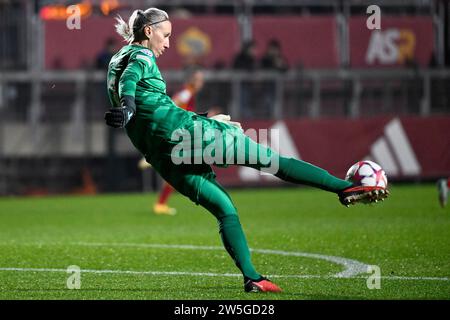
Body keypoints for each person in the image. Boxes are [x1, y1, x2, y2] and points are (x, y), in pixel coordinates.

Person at [104, 8, 388, 293]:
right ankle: (344, 187)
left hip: (163, 153)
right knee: (270, 161)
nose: (167, 43)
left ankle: (252, 278)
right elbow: (133, 79)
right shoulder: (142, 55)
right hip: (184, 134)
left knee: (224, 209)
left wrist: (200, 116)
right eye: (165, 36)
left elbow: (149, 101)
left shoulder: (116, 59)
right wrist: (128, 107)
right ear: (149, 31)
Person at [138, 68, 206, 215]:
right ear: (193, 80)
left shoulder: (189, 93)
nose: (202, 82)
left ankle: (161, 204)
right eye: (200, 79)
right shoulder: (187, 92)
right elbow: (173, 104)